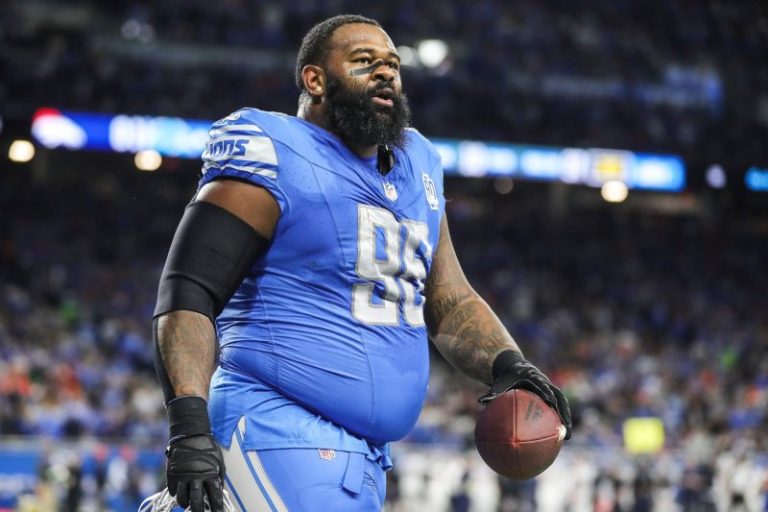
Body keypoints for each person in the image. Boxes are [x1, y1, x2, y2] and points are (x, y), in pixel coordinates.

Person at [150, 14, 572, 512]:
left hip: (363, 459)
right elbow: (188, 293)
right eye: (364, 61)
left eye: (393, 64)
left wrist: (509, 364)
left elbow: (447, 298)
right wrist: (188, 426)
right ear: (315, 80)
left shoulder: (418, 164)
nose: (386, 72)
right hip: (274, 429)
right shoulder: (275, 150)